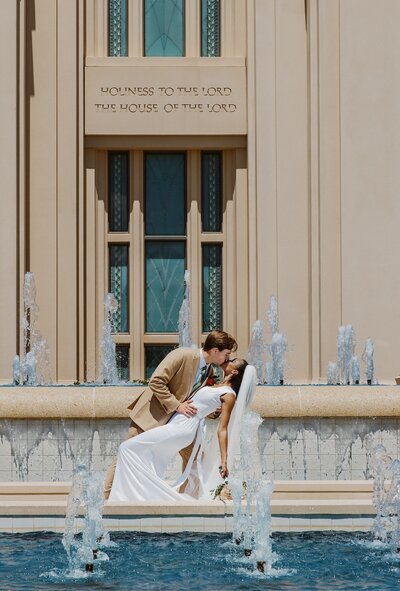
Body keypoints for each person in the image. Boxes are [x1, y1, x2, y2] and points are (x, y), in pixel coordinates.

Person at [103, 330, 237, 499]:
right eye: (226, 354)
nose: (227, 358)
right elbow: (156, 381)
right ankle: (103, 501)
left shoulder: (208, 371)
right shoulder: (182, 355)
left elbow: (195, 399)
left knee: (195, 459)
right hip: (152, 416)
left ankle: (186, 502)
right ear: (215, 350)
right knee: (127, 453)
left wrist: (212, 412)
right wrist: (177, 405)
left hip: (180, 424)